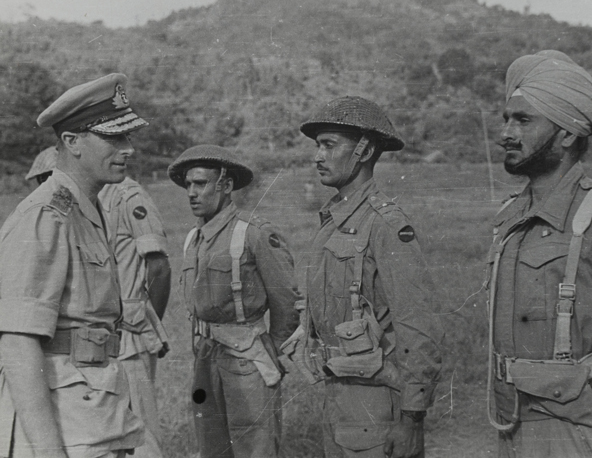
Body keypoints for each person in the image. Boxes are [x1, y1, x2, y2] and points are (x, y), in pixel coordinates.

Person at [283, 96, 443, 458]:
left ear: (365, 150)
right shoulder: (332, 223)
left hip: (377, 401)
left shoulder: (385, 224)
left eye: (329, 145)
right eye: (317, 146)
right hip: (338, 393)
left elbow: (419, 326)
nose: (317, 157)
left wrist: (412, 419)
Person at [0, 73, 148, 458]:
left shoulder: (87, 209)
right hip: (61, 427)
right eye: (114, 137)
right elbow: (17, 342)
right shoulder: (46, 215)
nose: (128, 148)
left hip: (94, 412)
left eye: (128, 136)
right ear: (72, 142)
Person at [486, 50, 592, 458]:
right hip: (511, 423)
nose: (506, 133)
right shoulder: (509, 217)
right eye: (506, 119)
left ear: (568, 133)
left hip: (576, 430)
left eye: (523, 120)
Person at [168, 144, 300, 458]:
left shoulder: (253, 234)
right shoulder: (193, 238)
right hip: (206, 357)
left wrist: (272, 355)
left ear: (226, 186)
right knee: (211, 444)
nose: (191, 192)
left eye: (200, 183)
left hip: (248, 359)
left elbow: (288, 303)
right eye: (188, 184)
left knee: (254, 445)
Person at [98, 176, 171, 458]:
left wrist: (142, 322)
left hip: (129, 334)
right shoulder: (91, 195)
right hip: (99, 333)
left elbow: (160, 268)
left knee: (140, 430)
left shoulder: (128, 196)